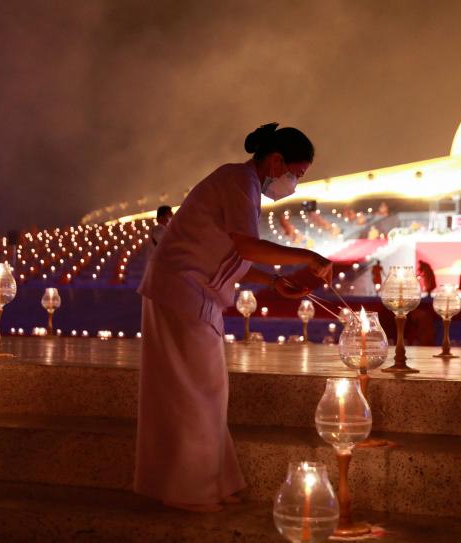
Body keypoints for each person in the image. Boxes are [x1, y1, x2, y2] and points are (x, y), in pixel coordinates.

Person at [135, 123, 332, 513]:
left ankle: (212, 483)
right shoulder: (238, 179)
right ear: (275, 161)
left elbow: (234, 256)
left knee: (206, 390)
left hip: (192, 294)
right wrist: (307, 256)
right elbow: (247, 245)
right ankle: (191, 491)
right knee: (196, 391)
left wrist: (275, 283)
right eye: (296, 173)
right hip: (180, 292)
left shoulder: (244, 186)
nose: (293, 183)